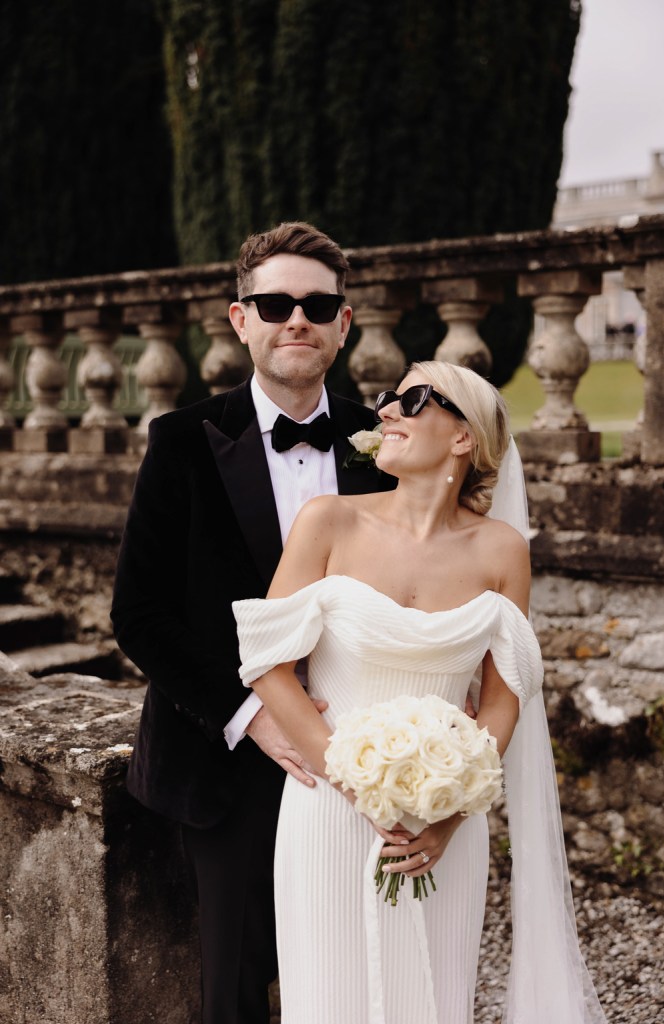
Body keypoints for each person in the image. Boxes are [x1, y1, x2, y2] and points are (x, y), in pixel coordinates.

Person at [233, 361, 608, 1024]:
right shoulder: (329, 522)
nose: (386, 412)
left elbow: (502, 696)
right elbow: (268, 666)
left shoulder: (501, 551)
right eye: (388, 401)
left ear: (463, 437)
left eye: (411, 400)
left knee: (430, 997)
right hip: (326, 806)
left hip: (441, 825)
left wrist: (449, 816)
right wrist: (352, 778)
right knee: (327, 996)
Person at [110, 221, 394, 1024]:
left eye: (316, 304)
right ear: (242, 321)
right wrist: (251, 715)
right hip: (223, 761)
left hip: (356, 749)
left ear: (344, 324)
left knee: (354, 971)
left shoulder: (384, 445)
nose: (294, 319)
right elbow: (138, 614)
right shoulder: (178, 443)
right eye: (274, 303)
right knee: (233, 991)